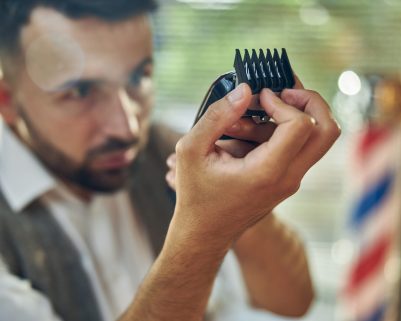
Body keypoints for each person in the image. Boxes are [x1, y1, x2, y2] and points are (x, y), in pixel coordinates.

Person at [0, 0, 340, 320]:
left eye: (138, 77)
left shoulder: (173, 149)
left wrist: (249, 211)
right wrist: (205, 232)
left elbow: (291, 302)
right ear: (8, 101)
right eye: (79, 92)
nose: (128, 126)